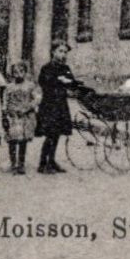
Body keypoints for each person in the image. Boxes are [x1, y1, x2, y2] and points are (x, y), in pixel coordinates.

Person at [35, 42, 81, 174]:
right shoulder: (47, 68)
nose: (63, 54)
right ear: (53, 52)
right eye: (60, 51)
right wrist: (60, 80)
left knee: (57, 135)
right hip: (49, 105)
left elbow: (72, 83)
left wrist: (72, 83)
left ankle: (52, 161)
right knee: (50, 134)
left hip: (61, 104)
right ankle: (43, 163)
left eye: (65, 52)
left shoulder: (65, 67)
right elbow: (44, 82)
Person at [2, 60, 39, 175]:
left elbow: (37, 99)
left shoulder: (30, 85)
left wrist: (28, 107)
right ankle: (13, 164)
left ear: (25, 72)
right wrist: (5, 112)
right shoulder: (9, 87)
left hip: (25, 116)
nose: (18, 74)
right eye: (15, 72)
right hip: (13, 116)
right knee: (12, 140)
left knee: (23, 140)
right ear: (12, 73)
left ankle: (21, 164)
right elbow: (5, 101)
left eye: (21, 71)